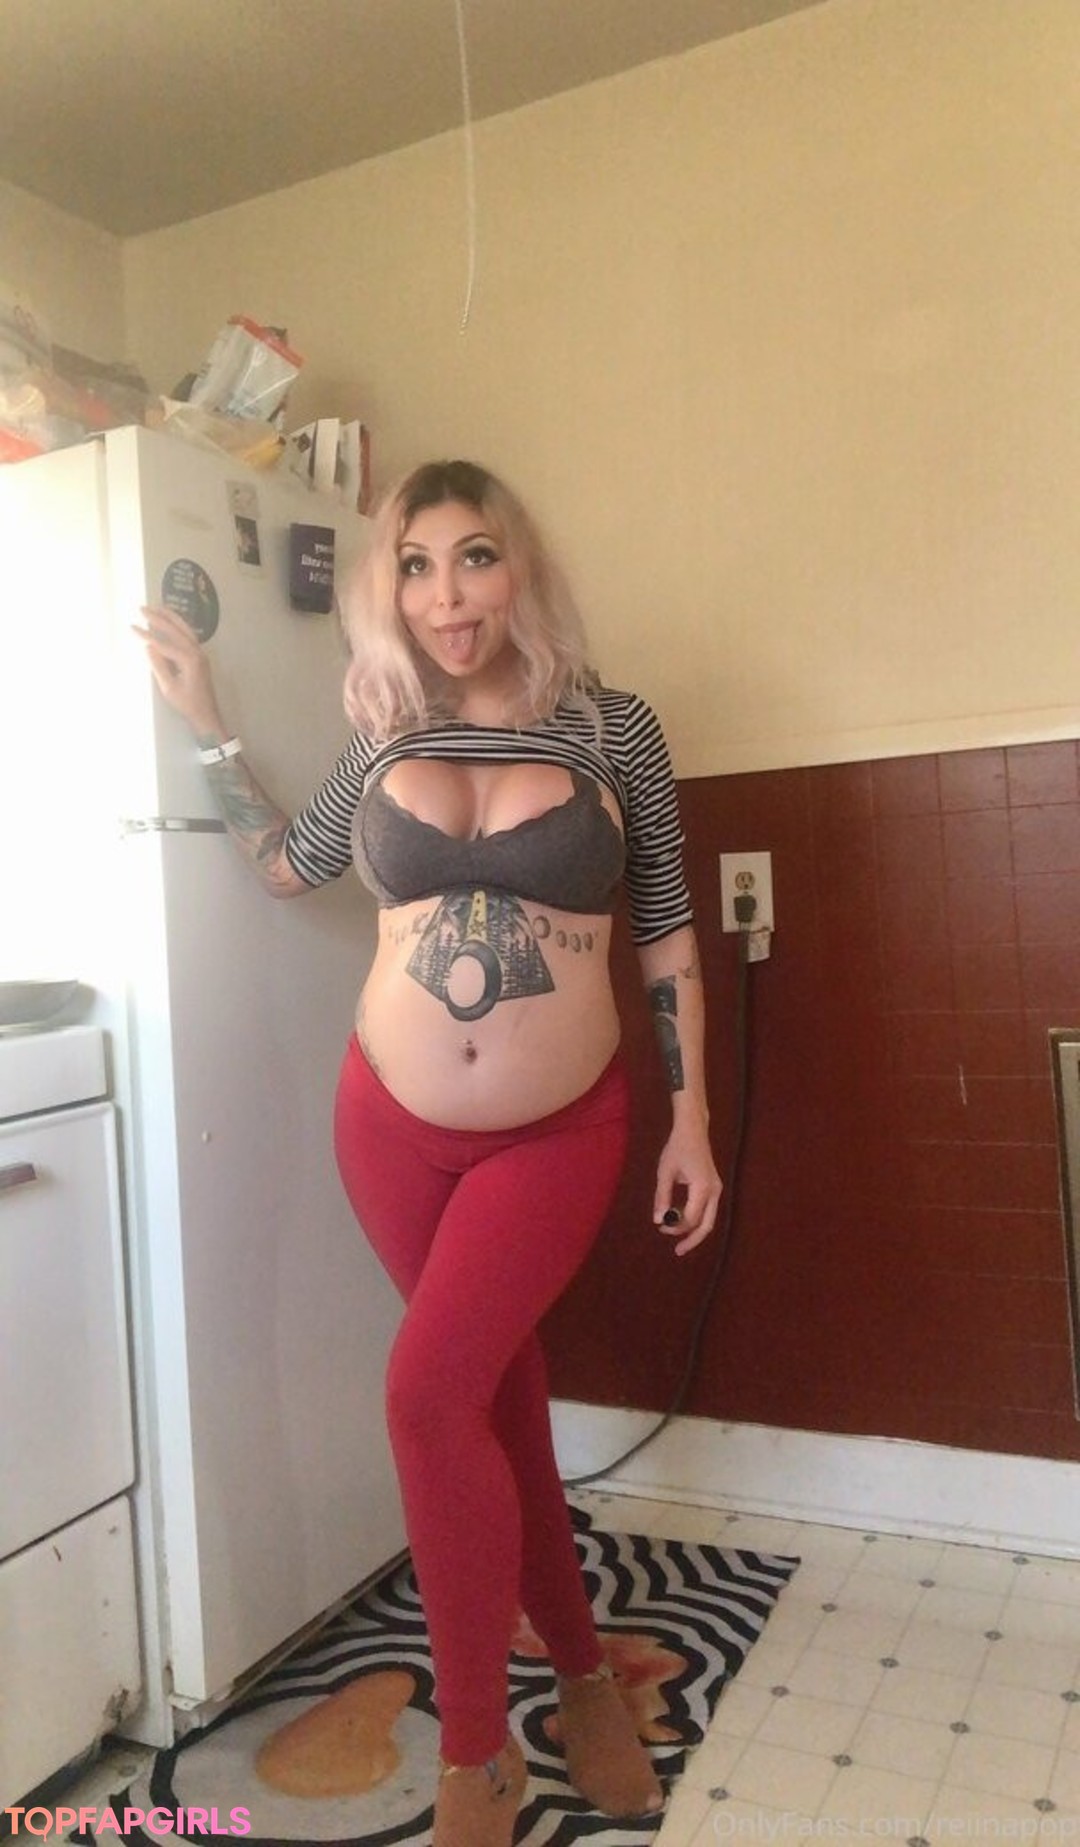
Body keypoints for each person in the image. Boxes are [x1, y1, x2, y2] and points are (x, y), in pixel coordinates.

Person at [138, 458, 722, 1847]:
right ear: (385, 587)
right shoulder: (388, 729)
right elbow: (290, 867)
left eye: (474, 557)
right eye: (415, 564)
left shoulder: (612, 727)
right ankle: (580, 1677)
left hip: (556, 1133)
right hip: (386, 1126)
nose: (446, 597)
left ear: (522, 569)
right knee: (490, 1403)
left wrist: (692, 1118)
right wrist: (210, 727)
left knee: (423, 1396)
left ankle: (476, 1759)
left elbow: (664, 929)